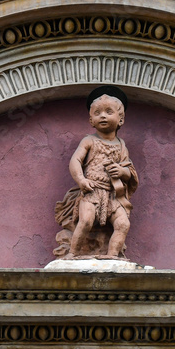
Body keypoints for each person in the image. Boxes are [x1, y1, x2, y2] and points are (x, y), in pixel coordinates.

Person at [63, 86, 138, 259]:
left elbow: (130, 171)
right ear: (91, 120)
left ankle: (112, 255)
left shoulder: (121, 145)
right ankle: (72, 253)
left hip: (114, 194)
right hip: (92, 191)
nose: (102, 115)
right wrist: (81, 180)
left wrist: (121, 171)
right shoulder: (89, 141)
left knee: (123, 224)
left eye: (108, 111)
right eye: (97, 113)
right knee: (86, 221)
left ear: (120, 119)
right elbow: (75, 161)